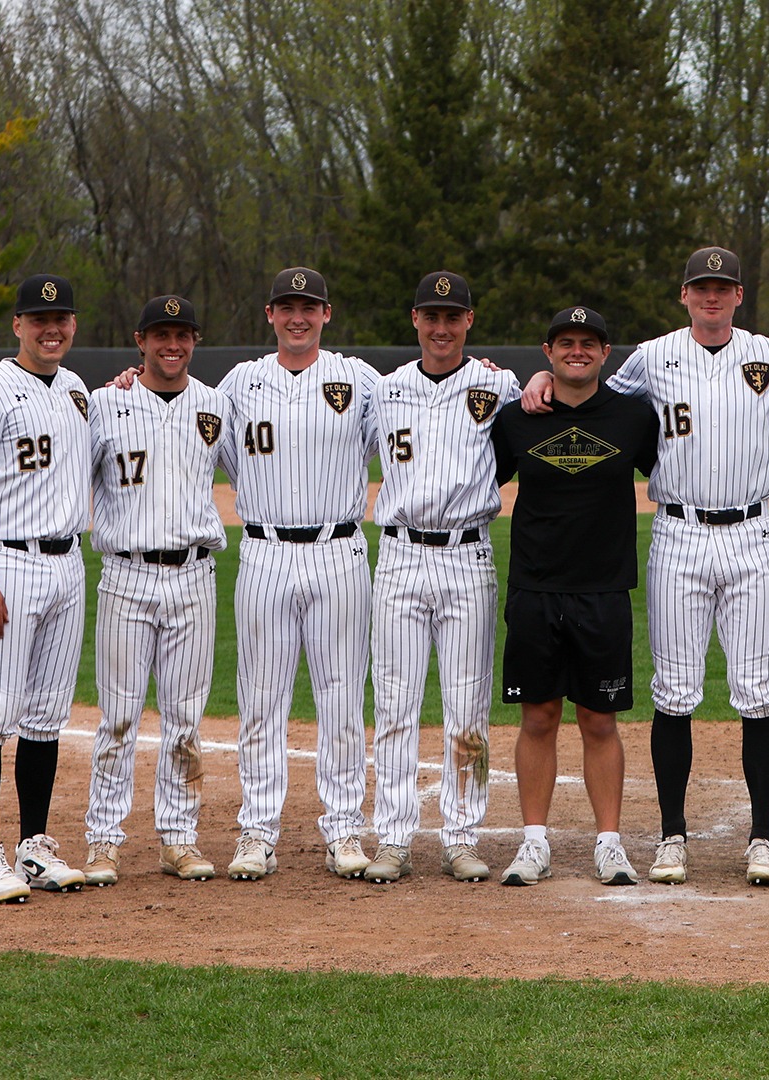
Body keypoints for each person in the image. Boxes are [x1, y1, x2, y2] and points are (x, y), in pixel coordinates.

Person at [599, 247, 769, 886]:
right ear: (684, 295)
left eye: (724, 287)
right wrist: (543, 381)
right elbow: (596, 402)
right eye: (701, 287)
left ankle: (762, 837)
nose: (712, 297)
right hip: (679, 534)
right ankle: (672, 836)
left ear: (740, 294)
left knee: (759, 693)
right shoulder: (653, 357)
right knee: (674, 693)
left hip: (751, 534)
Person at [218, 267, 381, 881]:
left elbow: (409, 419)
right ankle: (257, 829)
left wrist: (498, 377)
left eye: (308, 306)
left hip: (338, 549)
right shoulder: (239, 385)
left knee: (341, 694)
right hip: (264, 551)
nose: (298, 316)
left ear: (326, 313)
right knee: (262, 697)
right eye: (287, 306)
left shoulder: (358, 380)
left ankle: (343, 828)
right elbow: (208, 442)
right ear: (269, 314)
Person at [362, 272, 524, 884]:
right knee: (397, 703)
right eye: (431, 316)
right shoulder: (385, 390)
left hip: (466, 556)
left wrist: (532, 378)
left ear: (469, 322)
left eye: (452, 316)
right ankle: (394, 838)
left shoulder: (497, 385)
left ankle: (461, 835)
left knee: (468, 707)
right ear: (414, 320)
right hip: (400, 557)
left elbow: (542, 400)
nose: (441, 327)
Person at [492, 306, 659, 886]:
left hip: (604, 589)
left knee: (599, 719)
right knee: (537, 716)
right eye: (565, 343)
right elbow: (487, 478)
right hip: (536, 587)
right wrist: (531, 390)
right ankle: (534, 841)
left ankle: (608, 842)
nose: (577, 352)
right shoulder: (517, 418)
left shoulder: (635, 417)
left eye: (589, 343)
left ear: (605, 353)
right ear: (548, 352)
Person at [80, 294, 233, 885]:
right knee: (118, 716)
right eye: (161, 335)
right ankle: (104, 839)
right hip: (127, 573)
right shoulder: (105, 404)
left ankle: (179, 837)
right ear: (139, 340)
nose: (173, 345)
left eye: (184, 334)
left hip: (194, 575)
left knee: (186, 718)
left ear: (195, 340)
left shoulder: (217, 407)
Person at [0, 274, 93, 901]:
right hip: (9, 564)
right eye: (39, 319)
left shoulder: (76, 389)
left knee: (44, 718)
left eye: (60, 317)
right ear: (18, 325)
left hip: (67, 566)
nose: (51, 327)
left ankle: (33, 846)